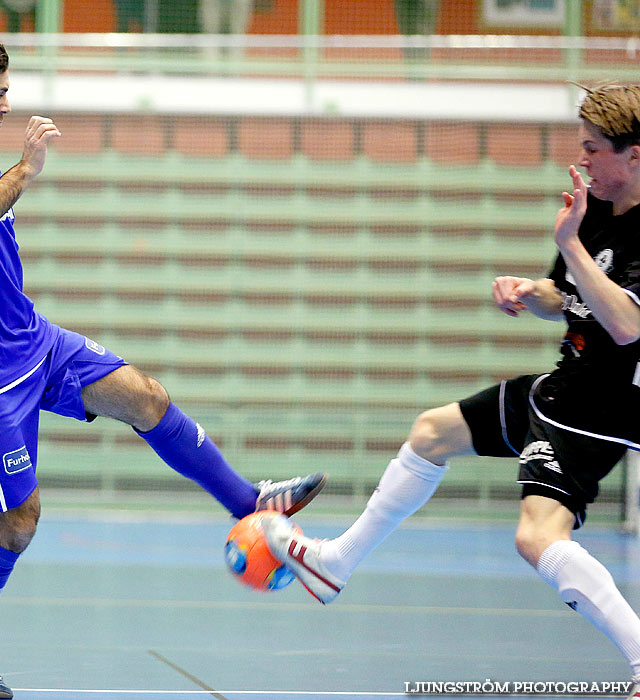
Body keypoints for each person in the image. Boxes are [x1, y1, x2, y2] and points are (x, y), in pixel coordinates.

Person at [0, 24, 326, 700]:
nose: (5, 105)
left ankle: (246, 502)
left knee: (147, 397)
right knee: (16, 523)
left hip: (29, 339)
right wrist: (25, 171)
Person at [262, 82, 640, 698]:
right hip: (566, 384)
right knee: (431, 433)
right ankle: (333, 565)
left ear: (635, 156)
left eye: (595, 149)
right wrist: (527, 290)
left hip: (607, 401)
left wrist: (568, 241)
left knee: (538, 535)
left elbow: (626, 325)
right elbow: (568, 299)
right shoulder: (592, 207)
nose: (584, 160)